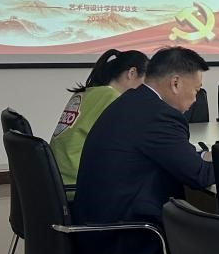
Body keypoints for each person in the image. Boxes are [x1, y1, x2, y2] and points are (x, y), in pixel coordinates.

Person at [71, 47, 215, 254]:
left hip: (93, 222)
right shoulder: (160, 116)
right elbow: (199, 176)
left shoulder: (131, 101)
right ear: (175, 82)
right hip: (123, 233)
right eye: (195, 90)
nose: (195, 99)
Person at [51, 49, 147, 189]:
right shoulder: (112, 98)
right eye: (145, 82)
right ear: (132, 73)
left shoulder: (86, 92)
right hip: (78, 181)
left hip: (56, 178)